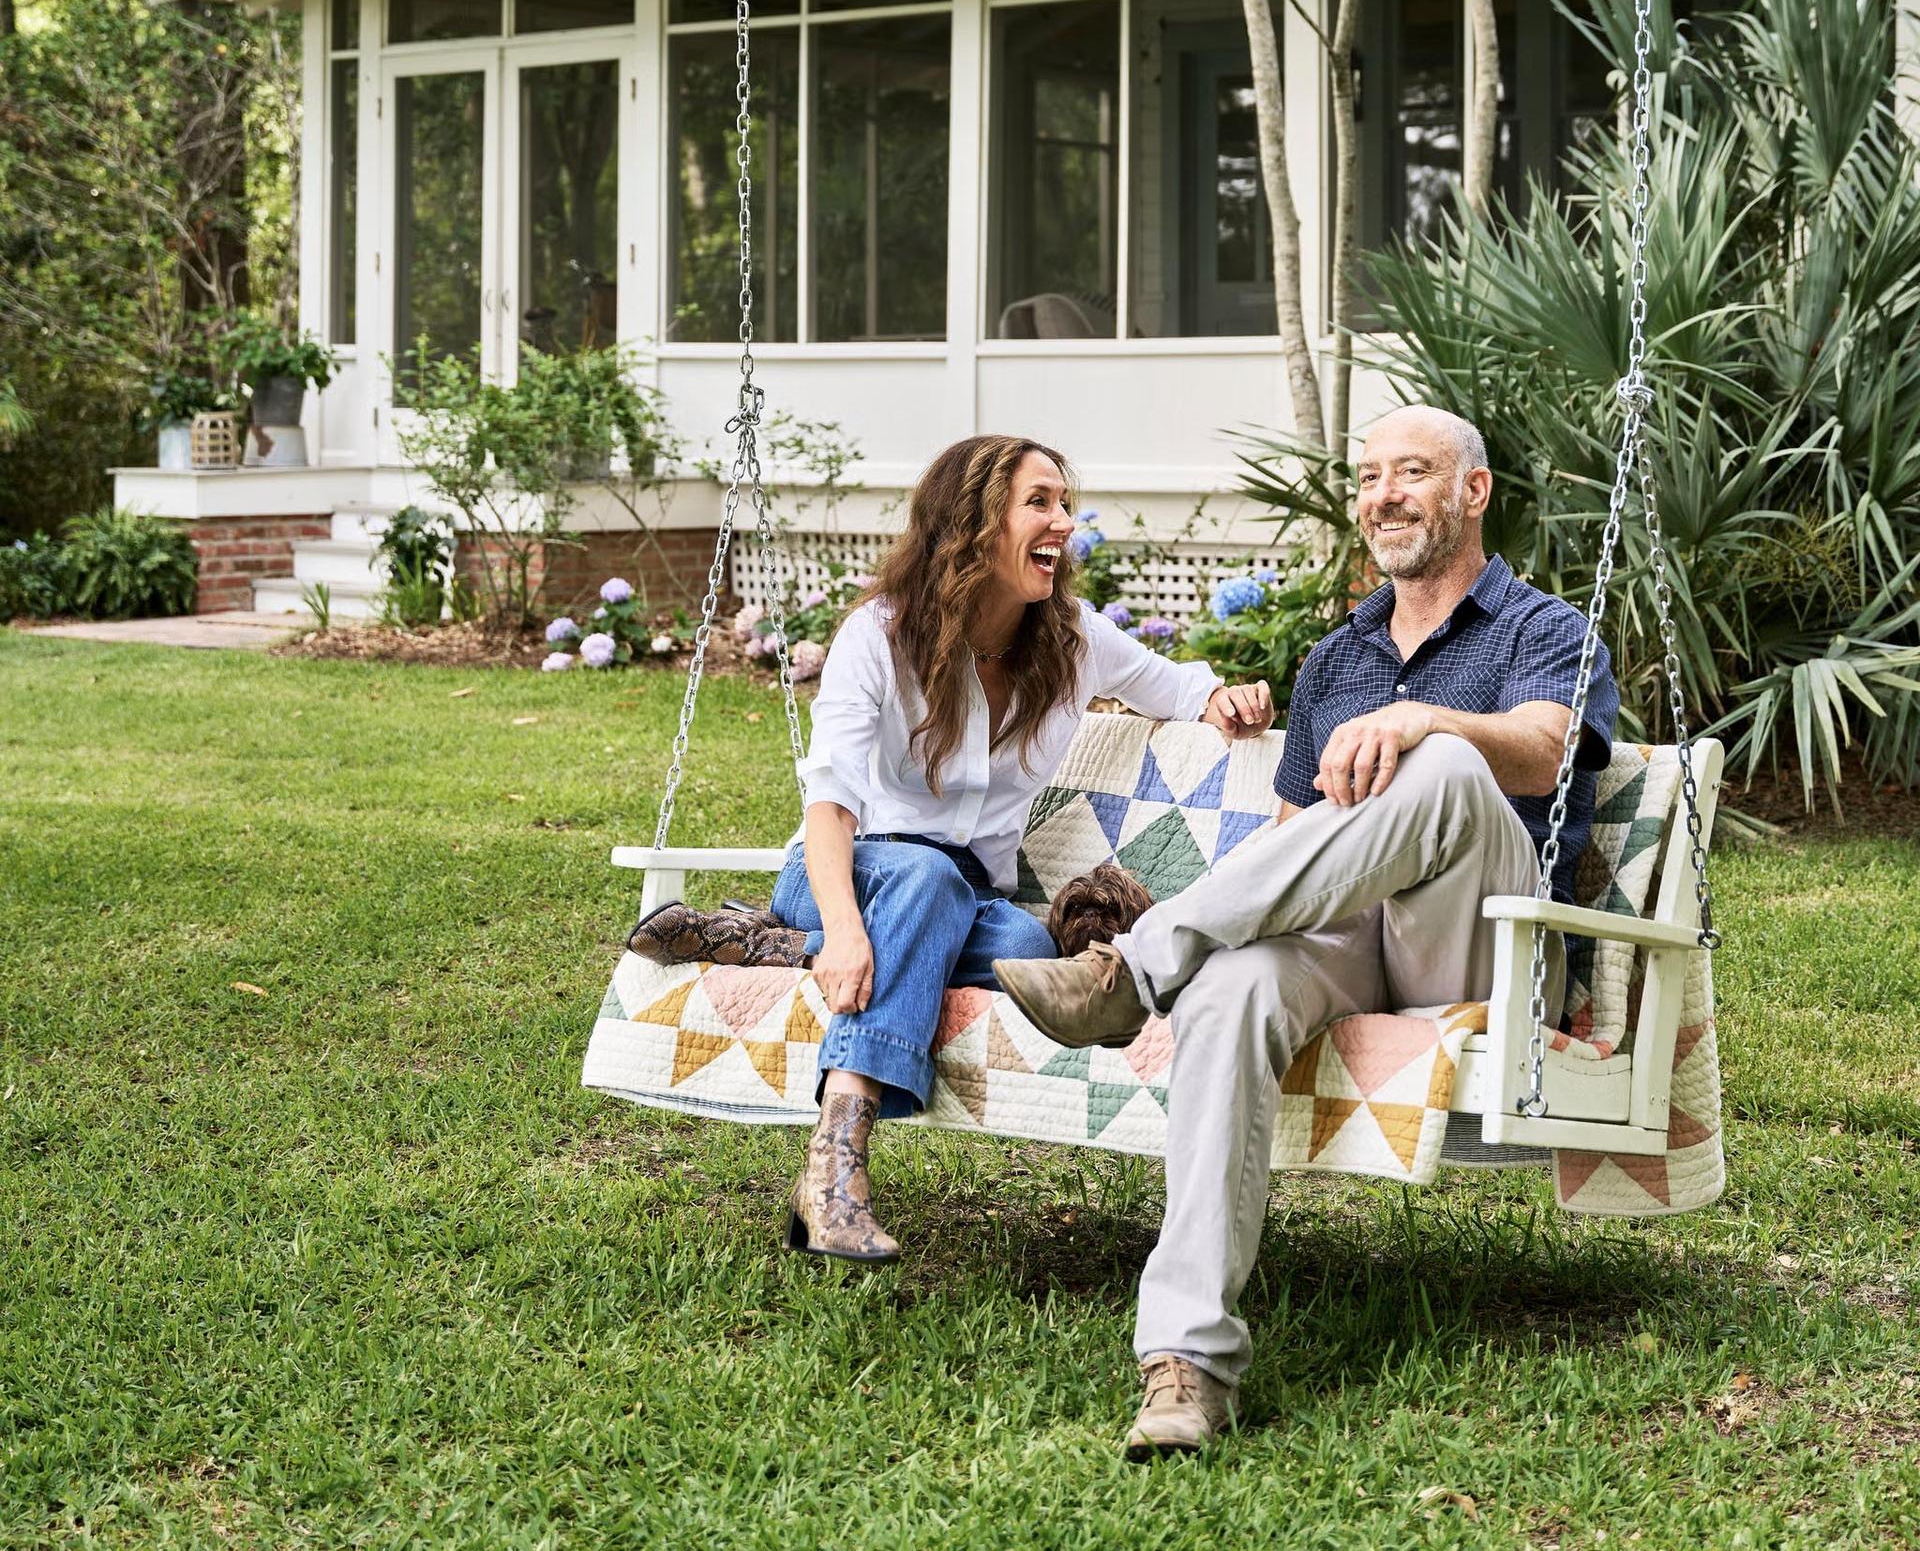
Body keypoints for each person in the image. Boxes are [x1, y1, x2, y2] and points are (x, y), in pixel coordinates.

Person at [993, 405, 1617, 1457]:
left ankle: (1132, 969)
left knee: (1449, 764)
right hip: (1346, 939)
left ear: (1473, 491)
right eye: (1367, 476)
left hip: (1485, 943)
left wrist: (1425, 722)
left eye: (1409, 472)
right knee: (1234, 988)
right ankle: (1185, 1363)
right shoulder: (1339, 657)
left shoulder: (1543, 628)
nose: (1381, 494)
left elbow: (1547, 752)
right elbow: (1290, 847)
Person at [638, 433, 1271, 1265]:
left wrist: (1227, 696)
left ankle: (780, 948)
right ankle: (836, 1165)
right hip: (846, 872)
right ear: (972, 523)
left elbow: (1176, 684)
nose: (1064, 522)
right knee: (927, 877)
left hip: (966, 899)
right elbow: (829, 801)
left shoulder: (1070, 639)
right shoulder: (881, 634)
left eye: (1066, 503)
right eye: (1039, 502)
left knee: (1024, 945)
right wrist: (847, 927)